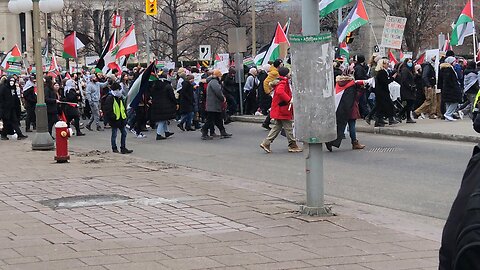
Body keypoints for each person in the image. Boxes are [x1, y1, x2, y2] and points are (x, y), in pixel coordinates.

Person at [259, 67, 302, 153]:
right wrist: (289, 100)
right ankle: (292, 145)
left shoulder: (280, 81)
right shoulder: (283, 82)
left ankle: (266, 143)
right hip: (283, 108)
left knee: (277, 127)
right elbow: (280, 92)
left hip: (280, 108)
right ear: (286, 74)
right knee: (288, 127)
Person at [326, 75, 367, 152]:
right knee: (352, 125)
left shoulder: (338, 85)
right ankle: (354, 142)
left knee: (339, 126)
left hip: (340, 109)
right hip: (351, 108)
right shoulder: (352, 86)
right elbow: (356, 97)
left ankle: (330, 140)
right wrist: (361, 90)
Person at [201, 69, 232, 140]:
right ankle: (204, 131)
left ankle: (223, 132)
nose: (221, 77)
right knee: (210, 120)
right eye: (220, 76)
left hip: (213, 104)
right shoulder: (214, 82)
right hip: (213, 104)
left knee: (218, 119)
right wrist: (223, 98)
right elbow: (218, 92)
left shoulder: (212, 81)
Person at [103, 83, 132, 154]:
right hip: (115, 120)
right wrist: (113, 117)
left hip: (121, 119)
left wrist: (125, 115)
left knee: (124, 133)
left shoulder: (120, 97)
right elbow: (108, 110)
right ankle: (114, 148)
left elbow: (123, 107)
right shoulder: (110, 98)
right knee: (114, 134)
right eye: (118, 90)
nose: (119, 91)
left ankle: (123, 148)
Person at [150, 72, 177, 140]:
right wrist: (175, 102)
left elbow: (151, 94)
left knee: (164, 118)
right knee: (162, 120)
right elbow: (172, 96)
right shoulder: (167, 85)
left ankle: (166, 132)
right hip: (166, 104)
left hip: (156, 104)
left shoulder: (154, 85)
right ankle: (158, 134)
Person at [374, 59, 397, 127]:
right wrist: (392, 78)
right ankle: (390, 119)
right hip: (382, 92)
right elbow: (385, 81)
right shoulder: (381, 72)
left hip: (382, 91)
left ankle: (380, 120)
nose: (388, 65)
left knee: (381, 107)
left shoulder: (383, 72)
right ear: (383, 65)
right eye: (386, 64)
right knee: (388, 105)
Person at [439, 56, 462, 121]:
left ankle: (448, 116)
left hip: (447, 89)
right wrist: (455, 87)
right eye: (454, 61)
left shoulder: (445, 69)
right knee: (454, 102)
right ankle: (448, 114)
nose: (456, 62)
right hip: (451, 89)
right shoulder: (448, 69)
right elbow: (450, 80)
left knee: (448, 102)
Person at [399, 58, 417, 123]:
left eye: (411, 62)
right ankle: (401, 115)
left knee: (410, 103)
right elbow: (404, 80)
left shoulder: (409, 70)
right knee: (409, 103)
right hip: (406, 89)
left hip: (410, 90)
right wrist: (409, 86)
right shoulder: (405, 70)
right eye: (409, 62)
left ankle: (406, 117)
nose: (410, 63)